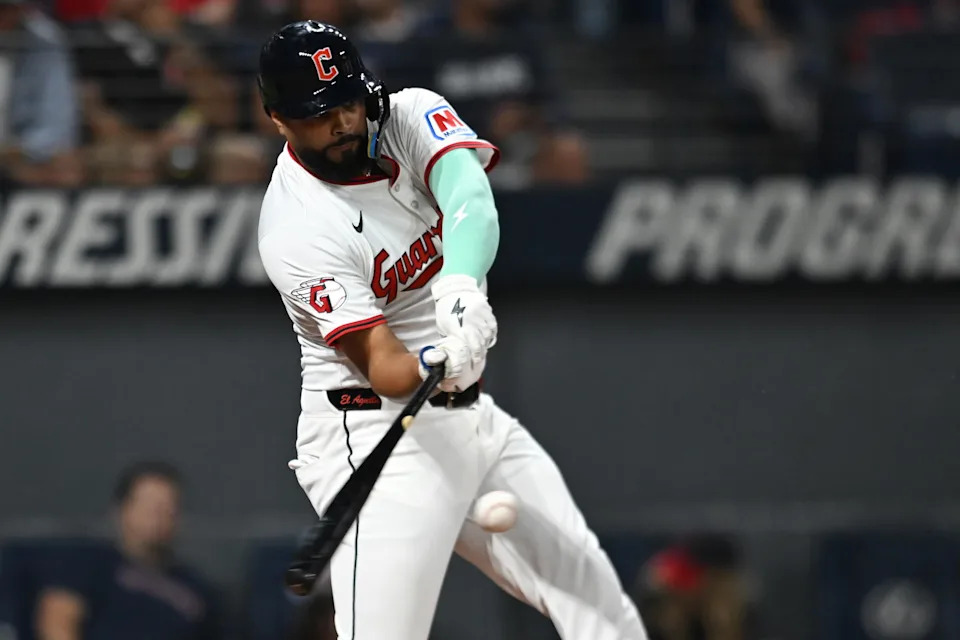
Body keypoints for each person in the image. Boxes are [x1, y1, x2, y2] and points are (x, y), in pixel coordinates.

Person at [255, 20, 647, 640]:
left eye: (350, 102)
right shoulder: (295, 227)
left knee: (602, 610)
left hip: (469, 419)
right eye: (319, 113)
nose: (343, 123)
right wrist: (440, 353)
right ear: (277, 117)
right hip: (371, 430)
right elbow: (383, 367)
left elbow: (471, 197)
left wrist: (460, 287)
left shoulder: (409, 115)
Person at [34, 461, 222, 640]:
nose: (157, 516)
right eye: (148, 505)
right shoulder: (87, 562)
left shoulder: (198, 590)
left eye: (167, 507)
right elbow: (57, 624)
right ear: (121, 510)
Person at [0, 0, 82, 187]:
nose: (3, 18)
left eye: (8, 9)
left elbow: (57, 124)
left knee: (65, 170)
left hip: (21, 156)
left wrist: (21, 151)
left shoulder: (44, 40)